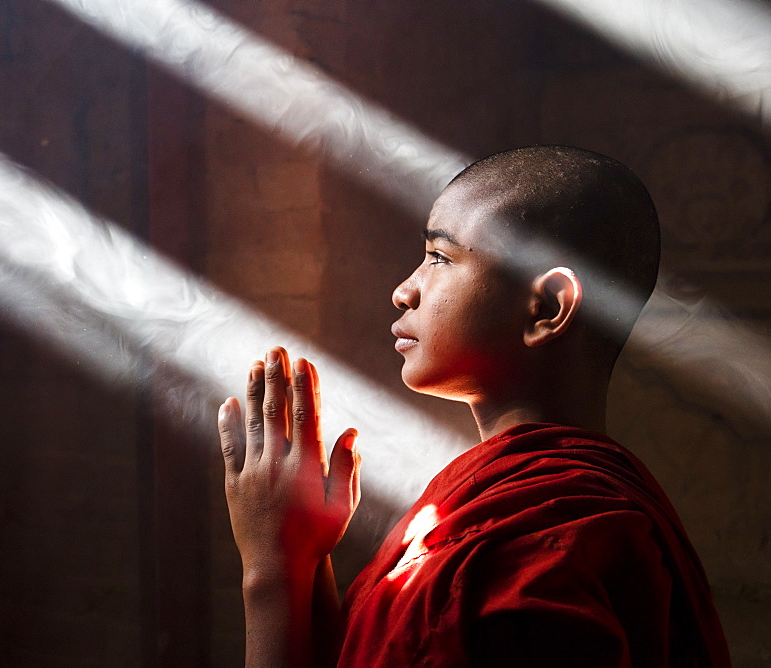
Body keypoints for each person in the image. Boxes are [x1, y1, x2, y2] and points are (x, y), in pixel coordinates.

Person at [216, 145, 731, 667]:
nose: (403, 290)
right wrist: (297, 559)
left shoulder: (549, 544)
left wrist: (270, 571)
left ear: (547, 307)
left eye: (439, 257)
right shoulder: (489, 504)